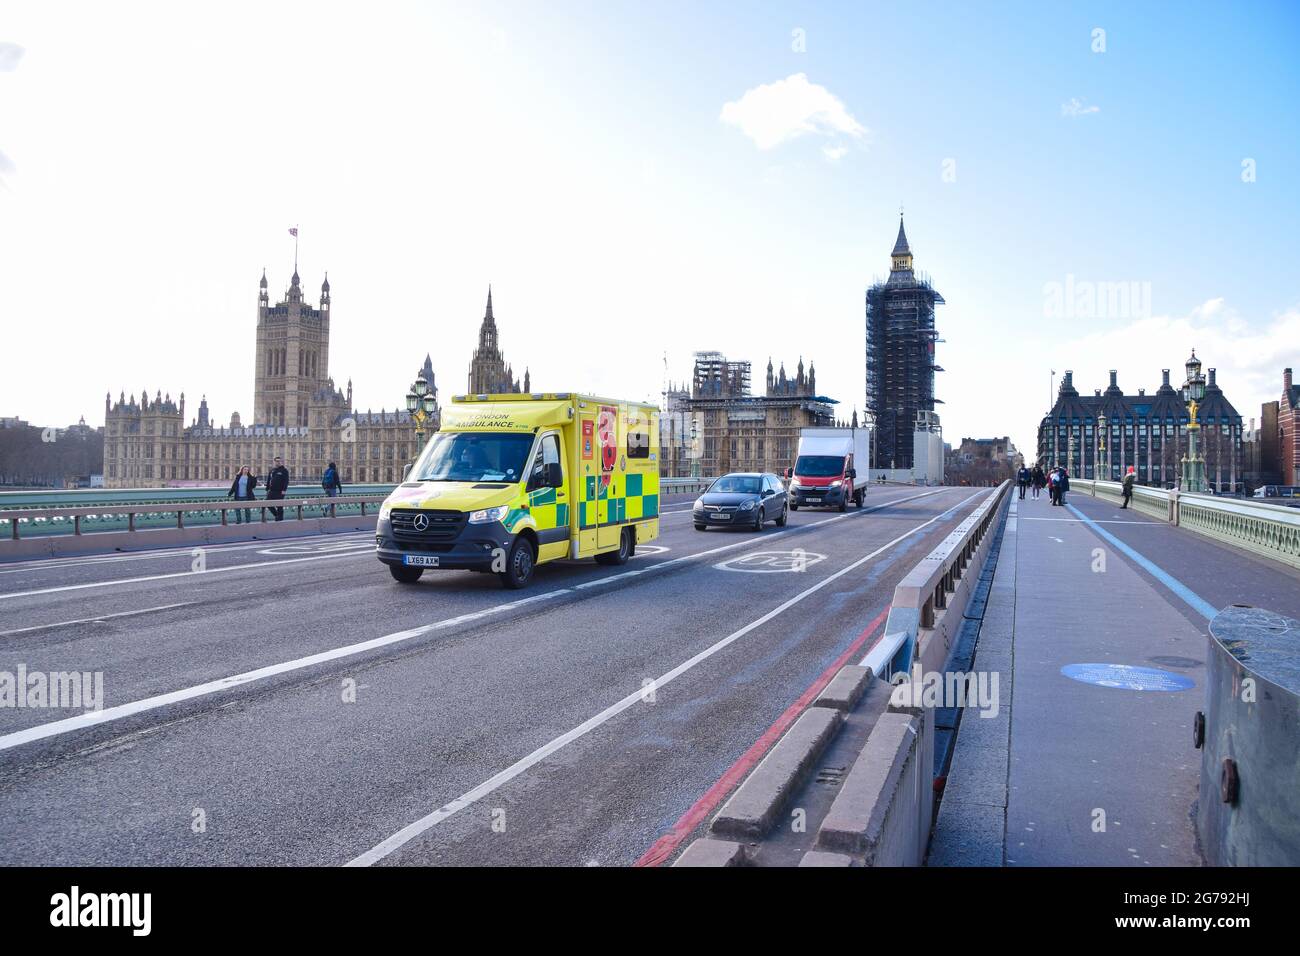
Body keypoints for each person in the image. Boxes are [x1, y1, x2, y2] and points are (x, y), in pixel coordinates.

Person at [266, 455, 290, 521]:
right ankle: (277, 515)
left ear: (282, 462)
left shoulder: (284, 470)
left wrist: (284, 490)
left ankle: (280, 518)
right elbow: (268, 480)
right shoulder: (272, 470)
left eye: (279, 461)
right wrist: (267, 489)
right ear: (274, 462)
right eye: (276, 461)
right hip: (271, 491)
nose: (278, 462)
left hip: (280, 491)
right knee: (267, 503)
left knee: (279, 506)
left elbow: (286, 481)